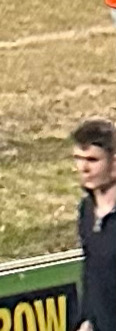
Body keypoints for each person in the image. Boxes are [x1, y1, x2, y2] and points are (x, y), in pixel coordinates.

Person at [74, 118, 116, 331]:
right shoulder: (86, 211)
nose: (84, 168)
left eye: (92, 159)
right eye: (78, 159)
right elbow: (91, 270)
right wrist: (87, 319)